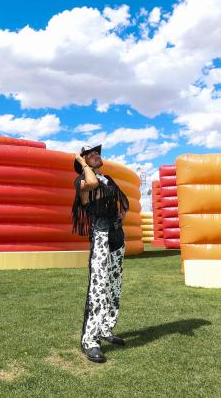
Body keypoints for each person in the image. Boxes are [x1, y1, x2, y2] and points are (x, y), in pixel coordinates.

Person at [71, 144, 129, 363]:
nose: (97, 156)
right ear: (83, 161)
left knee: (114, 285)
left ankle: (106, 329)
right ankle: (90, 340)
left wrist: (122, 215)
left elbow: (123, 201)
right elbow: (92, 183)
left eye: (97, 154)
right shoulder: (82, 182)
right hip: (101, 234)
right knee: (98, 286)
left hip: (116, 234)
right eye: (91, 155)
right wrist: (83, 163)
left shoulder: (108, 180)